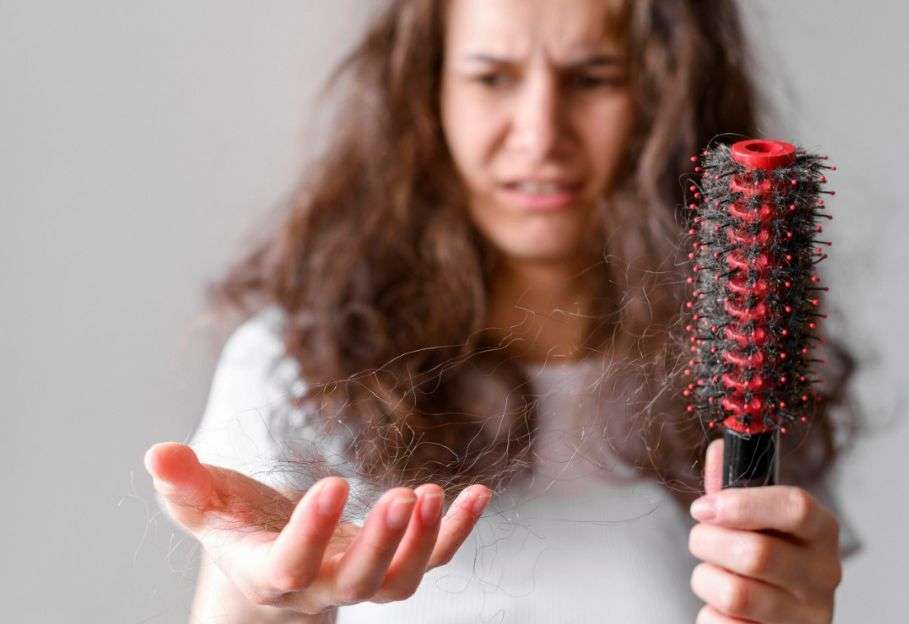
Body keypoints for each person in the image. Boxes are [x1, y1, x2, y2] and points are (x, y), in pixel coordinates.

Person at [144, 1, 854, 622]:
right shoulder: (293, 363)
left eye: (592, 78)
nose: (540, 134)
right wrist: (264, 598)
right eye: (492, 78)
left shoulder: (744, 372)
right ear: (427, 93)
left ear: (667, 96)